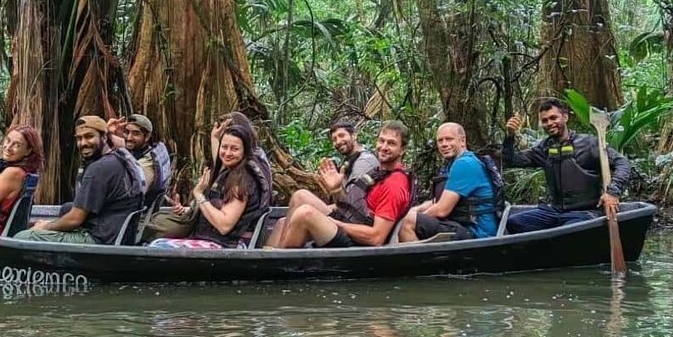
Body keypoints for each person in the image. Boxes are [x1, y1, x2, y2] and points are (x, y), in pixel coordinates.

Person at [271, 120, 412, 248]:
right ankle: (275, 253)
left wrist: (336, 223)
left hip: (358, 242)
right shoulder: (378, 173)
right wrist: (336, 189)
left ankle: (281, 264)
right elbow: (353, 206)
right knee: (300, 197)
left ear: (402, 150)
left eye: (391, 143)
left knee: (305, 213)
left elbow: (376, 237)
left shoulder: (394, 185)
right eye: (382, 141)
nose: (384, 147)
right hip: (350, 221)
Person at [503, 98, 631, 233]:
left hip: (584, 212)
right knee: (514, 223)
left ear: (565, 117)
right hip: (554, 211)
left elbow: (622, 163)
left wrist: (613, 192)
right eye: (545, 120)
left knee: (568, 231)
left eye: (553, 118)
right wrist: (509, 136)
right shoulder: (544, 148)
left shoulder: (589, 144)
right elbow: (511, 161)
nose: (549, 123)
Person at [15, 115, 145, 244]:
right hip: (117, 231)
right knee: (66, 208)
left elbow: (74, 220)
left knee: (23, 237)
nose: (83, 143)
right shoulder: (122, 156)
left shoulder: (98, 169)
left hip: (100, 239)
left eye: (89, 136)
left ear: (104, 137)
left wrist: (44, 227)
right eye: (79, 138)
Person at [149, 125, 268, 248]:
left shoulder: (242, 181)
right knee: (155, 241)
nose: (227, 153)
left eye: (234, 149)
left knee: (159, 247)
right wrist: (190, 210)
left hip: (227, 246)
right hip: (210, 239)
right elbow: (218, 206)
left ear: (245, 151)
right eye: (224, 147)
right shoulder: (229, 172)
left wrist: (199, 195)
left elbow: (224, 226)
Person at [397, 123, 501, 242]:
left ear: (462, 141)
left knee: (407, 222)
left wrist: (416, 218)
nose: (444, 144)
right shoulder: (452, 164)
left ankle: (421, 260)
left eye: (449, 139)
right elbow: (439, 200)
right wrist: (415, 210)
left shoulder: (465, 164)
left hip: (478, 233)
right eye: (440, 141)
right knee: (408, 216)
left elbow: (442, 209)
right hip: (462, 226)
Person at [108, 113, 172, 206]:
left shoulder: (147, 163)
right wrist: (107, 131)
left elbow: (133, 195)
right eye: (126, 132)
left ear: (146, 137)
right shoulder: (141, 148)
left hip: (135, 213)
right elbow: (119, 142)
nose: (129, 138)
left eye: (135, 133)